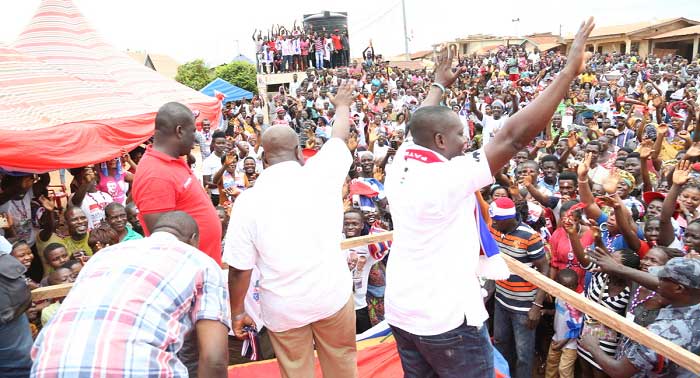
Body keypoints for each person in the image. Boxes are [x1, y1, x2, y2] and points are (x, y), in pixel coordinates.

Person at [382, 18, 594, 378]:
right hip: (446, 322)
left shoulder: (402, 160)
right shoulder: (446, 177)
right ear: (439, 142)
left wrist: (438, 86)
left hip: (403, 311)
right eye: (462, 136)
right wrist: (568, 72)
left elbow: (416, 123)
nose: (468, 142)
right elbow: (513, 137)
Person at [225, 81, 357, 378]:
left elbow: (239, 269)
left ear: (263, 158)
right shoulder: (323, 174)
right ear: (300, 151)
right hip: (331, 295)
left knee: (296, 371)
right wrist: (342, 105)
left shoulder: (248, 202)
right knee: (343, 363)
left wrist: (236, 312)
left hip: (283, 309)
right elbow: (338, 136)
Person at [31, 211, 230, 378]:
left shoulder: (102, 256)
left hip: (49, 367)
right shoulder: (201, 263)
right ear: (194, 239)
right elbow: (214, 358)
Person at [581, 253, 700, 377]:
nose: (657, 281)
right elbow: (659, 284)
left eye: (662, 278)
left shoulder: (663, 332)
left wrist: (592, 346)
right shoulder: (693, 298)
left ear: (679, 289)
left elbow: (619, 371)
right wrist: (618, 268)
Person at [132, 102, 222, 266]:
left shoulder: (172, 162)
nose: (195, 138)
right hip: (190, 277)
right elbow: (164, 245)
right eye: (193, 131)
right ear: (180, 131)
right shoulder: (155, 175)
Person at [488, 197, 549, 378]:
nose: (493, 224)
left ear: (509, 219)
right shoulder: (496, 229)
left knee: (523, 354)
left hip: (524, 307)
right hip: (501, 300)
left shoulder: (529, 236)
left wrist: (537, 306)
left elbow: (544, 270)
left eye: (496, 221)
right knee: (501, 344)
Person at [544, 269, 584, 378]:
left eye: (571, 286)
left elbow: (577, 327)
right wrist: (547, 311)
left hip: (571, 343)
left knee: (564, 370)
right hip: (557, 337)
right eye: (565, 286)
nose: (568, 290)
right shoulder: (559, 295)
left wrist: (564, 342)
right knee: (551, 364)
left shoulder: (577, 302)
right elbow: (559, 311)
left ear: (576, 285)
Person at [202, 131, 229, 206]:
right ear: (213, 144)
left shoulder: (230, 157)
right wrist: (222, 185)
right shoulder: (208, 161)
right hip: (216, 196)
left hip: (230, 195)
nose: (221, 145)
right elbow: (206, 183)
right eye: (218, 143)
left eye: (223, 143)